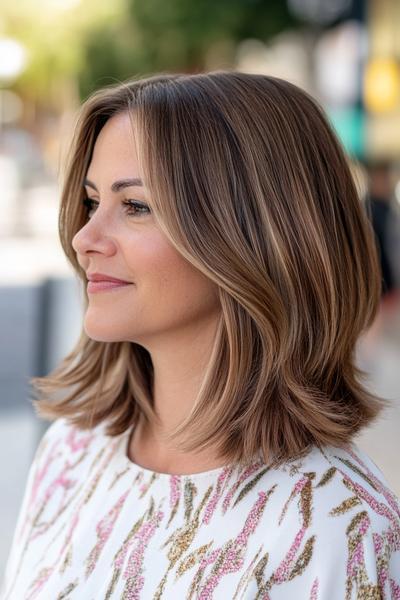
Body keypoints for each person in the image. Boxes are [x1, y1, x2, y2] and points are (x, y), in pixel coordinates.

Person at [1, 71, 399, 599]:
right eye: (93, 202)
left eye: (136, 206)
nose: (84, 238)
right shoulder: (73, 452)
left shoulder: (340, 527)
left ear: (255, 234)